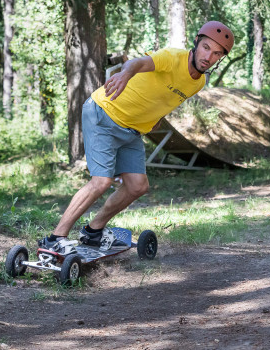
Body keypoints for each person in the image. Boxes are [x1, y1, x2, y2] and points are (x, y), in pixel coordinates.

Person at [39, 21, 235, 253]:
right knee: (101, 181)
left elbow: (167, 97)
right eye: (205, 47)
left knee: (137, 186)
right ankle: (55, 237)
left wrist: (155, 117)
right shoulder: (173, 57)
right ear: (196, 42)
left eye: (216, 54)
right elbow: (138, 63)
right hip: (104, 113)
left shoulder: (199, 82)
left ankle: (93, 232)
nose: (208, 56)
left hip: (132, 131)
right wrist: (125, 74)